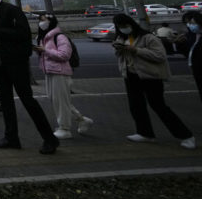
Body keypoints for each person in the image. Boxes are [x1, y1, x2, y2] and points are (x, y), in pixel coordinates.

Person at [0, 0, 59, 155]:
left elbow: (23, 34)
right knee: (5, 101)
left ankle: (50, 139)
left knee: (27, 100)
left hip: (15, 62)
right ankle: (11, 137)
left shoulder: (12, 10)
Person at [112, 13, 195, 149]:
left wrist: (136, 50)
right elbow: (122, 57)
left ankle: (186, 136)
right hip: (131, 76)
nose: (122, 28)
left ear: (131, 24)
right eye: (119, 26)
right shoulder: (122, 38)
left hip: (150, 76)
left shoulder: (148, 37)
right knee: (136, 106)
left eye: (124, 25)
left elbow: (160, 56)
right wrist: (119, 48)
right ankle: (145, 133)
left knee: (158, 106)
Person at [33, 13, 93, 140]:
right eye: (40, 20)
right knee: (57, 100)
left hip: (60, 73)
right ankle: (81, 119)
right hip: (49, 72)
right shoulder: (43, 37)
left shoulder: (60, 37)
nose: (41, 23)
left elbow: (64, 55)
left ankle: (64, 128)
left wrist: (45, 50)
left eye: (44, 20)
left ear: (51, 21)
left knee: (61, 102)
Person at [177, 11, 202, 104]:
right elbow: (187, 52)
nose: (189, 25)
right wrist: (180, 43)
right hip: (196, 69)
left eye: (191, 23)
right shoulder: (190, 35)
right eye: (187, 23)